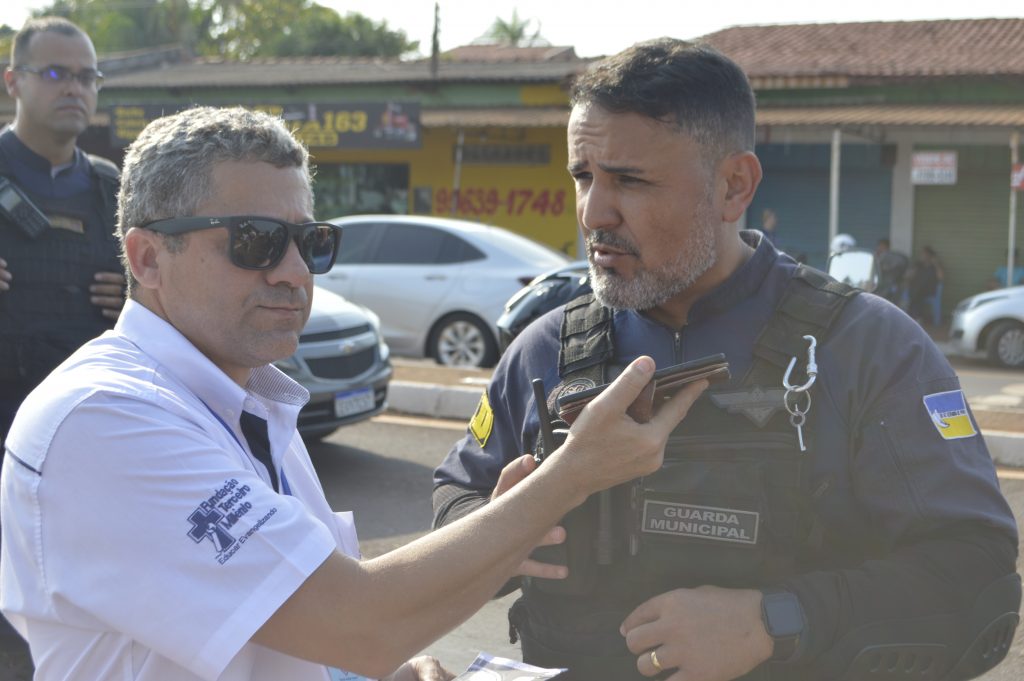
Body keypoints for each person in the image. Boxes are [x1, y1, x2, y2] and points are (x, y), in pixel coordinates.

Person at [0, 105, 705, 681]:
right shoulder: (103, 419)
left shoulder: (248, 403)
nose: (294, 272)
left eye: (310, 242)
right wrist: (569, 477)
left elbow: (310, 619)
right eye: (254, 241)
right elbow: (357, 620)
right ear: (147, 256)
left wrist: (392, 668)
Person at [433, 39, 1019, 681]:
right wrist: (494, 531)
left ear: (733, 186)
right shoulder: (545, 351)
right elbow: (456, 493)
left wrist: (779, 621)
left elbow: (976, 578)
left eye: (630, 180)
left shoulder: (869, 350)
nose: (594, 213)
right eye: (583, 176)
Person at [0, 16, 125, 445]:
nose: (74, 88)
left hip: (86, 428)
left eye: (87, 77)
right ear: (13, 81)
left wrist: (138, 300)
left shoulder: (113, 190)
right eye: (55, 74)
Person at [907, 245, 944, 327]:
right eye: (922, 254)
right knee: (916, 293)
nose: (922, 256)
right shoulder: (918, 265)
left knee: (916, 293)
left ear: (930, 256)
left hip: (929, 290)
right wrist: (913, 269)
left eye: (924, 254)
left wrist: (936, 264)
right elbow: (909, 276)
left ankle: (913, 317)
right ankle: (917, 317)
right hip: (916, 289)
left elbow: (941, 278)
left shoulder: (934, 266)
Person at [873, 238, 909, 304]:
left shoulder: (884, 256)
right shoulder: (896, 256)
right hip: (894, 287)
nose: (878, 247)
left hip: (885, 288)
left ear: (883, 245)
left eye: (879, 245)